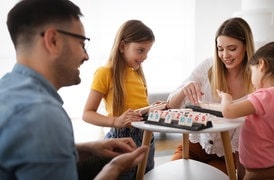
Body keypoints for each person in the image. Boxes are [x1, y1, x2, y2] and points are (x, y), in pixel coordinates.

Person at [0, 0, 148, 180]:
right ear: (53, 40)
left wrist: (88, 148)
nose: (86, 56)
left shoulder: (7, 89)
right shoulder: (42, 115)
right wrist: (114, 169)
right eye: (81, 43)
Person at [167, 17, 255, 178]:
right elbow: (170, 106)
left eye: (232, 48)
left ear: (246, 46)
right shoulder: (208, 66)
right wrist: (183, 90)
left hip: (229, 155)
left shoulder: (257, 79)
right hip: (193, 148)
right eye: (220, 49)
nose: (225, 55)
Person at [218, 31, 274, 179]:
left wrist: (226, 97)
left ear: (261, 65)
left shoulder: (264, 96)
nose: (252, 79)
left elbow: (228, 111)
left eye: (252, 71)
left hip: (260, 172)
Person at [82, 19, 155, 179]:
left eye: (147, 52)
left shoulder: (137, 74)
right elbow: (87, 113)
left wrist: (152, 109)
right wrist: (115, 121)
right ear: (122, 46)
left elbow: (137, 110)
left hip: (147, 137)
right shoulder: (105, 72)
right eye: (140, 50)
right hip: (122, 139)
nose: (145, 57)